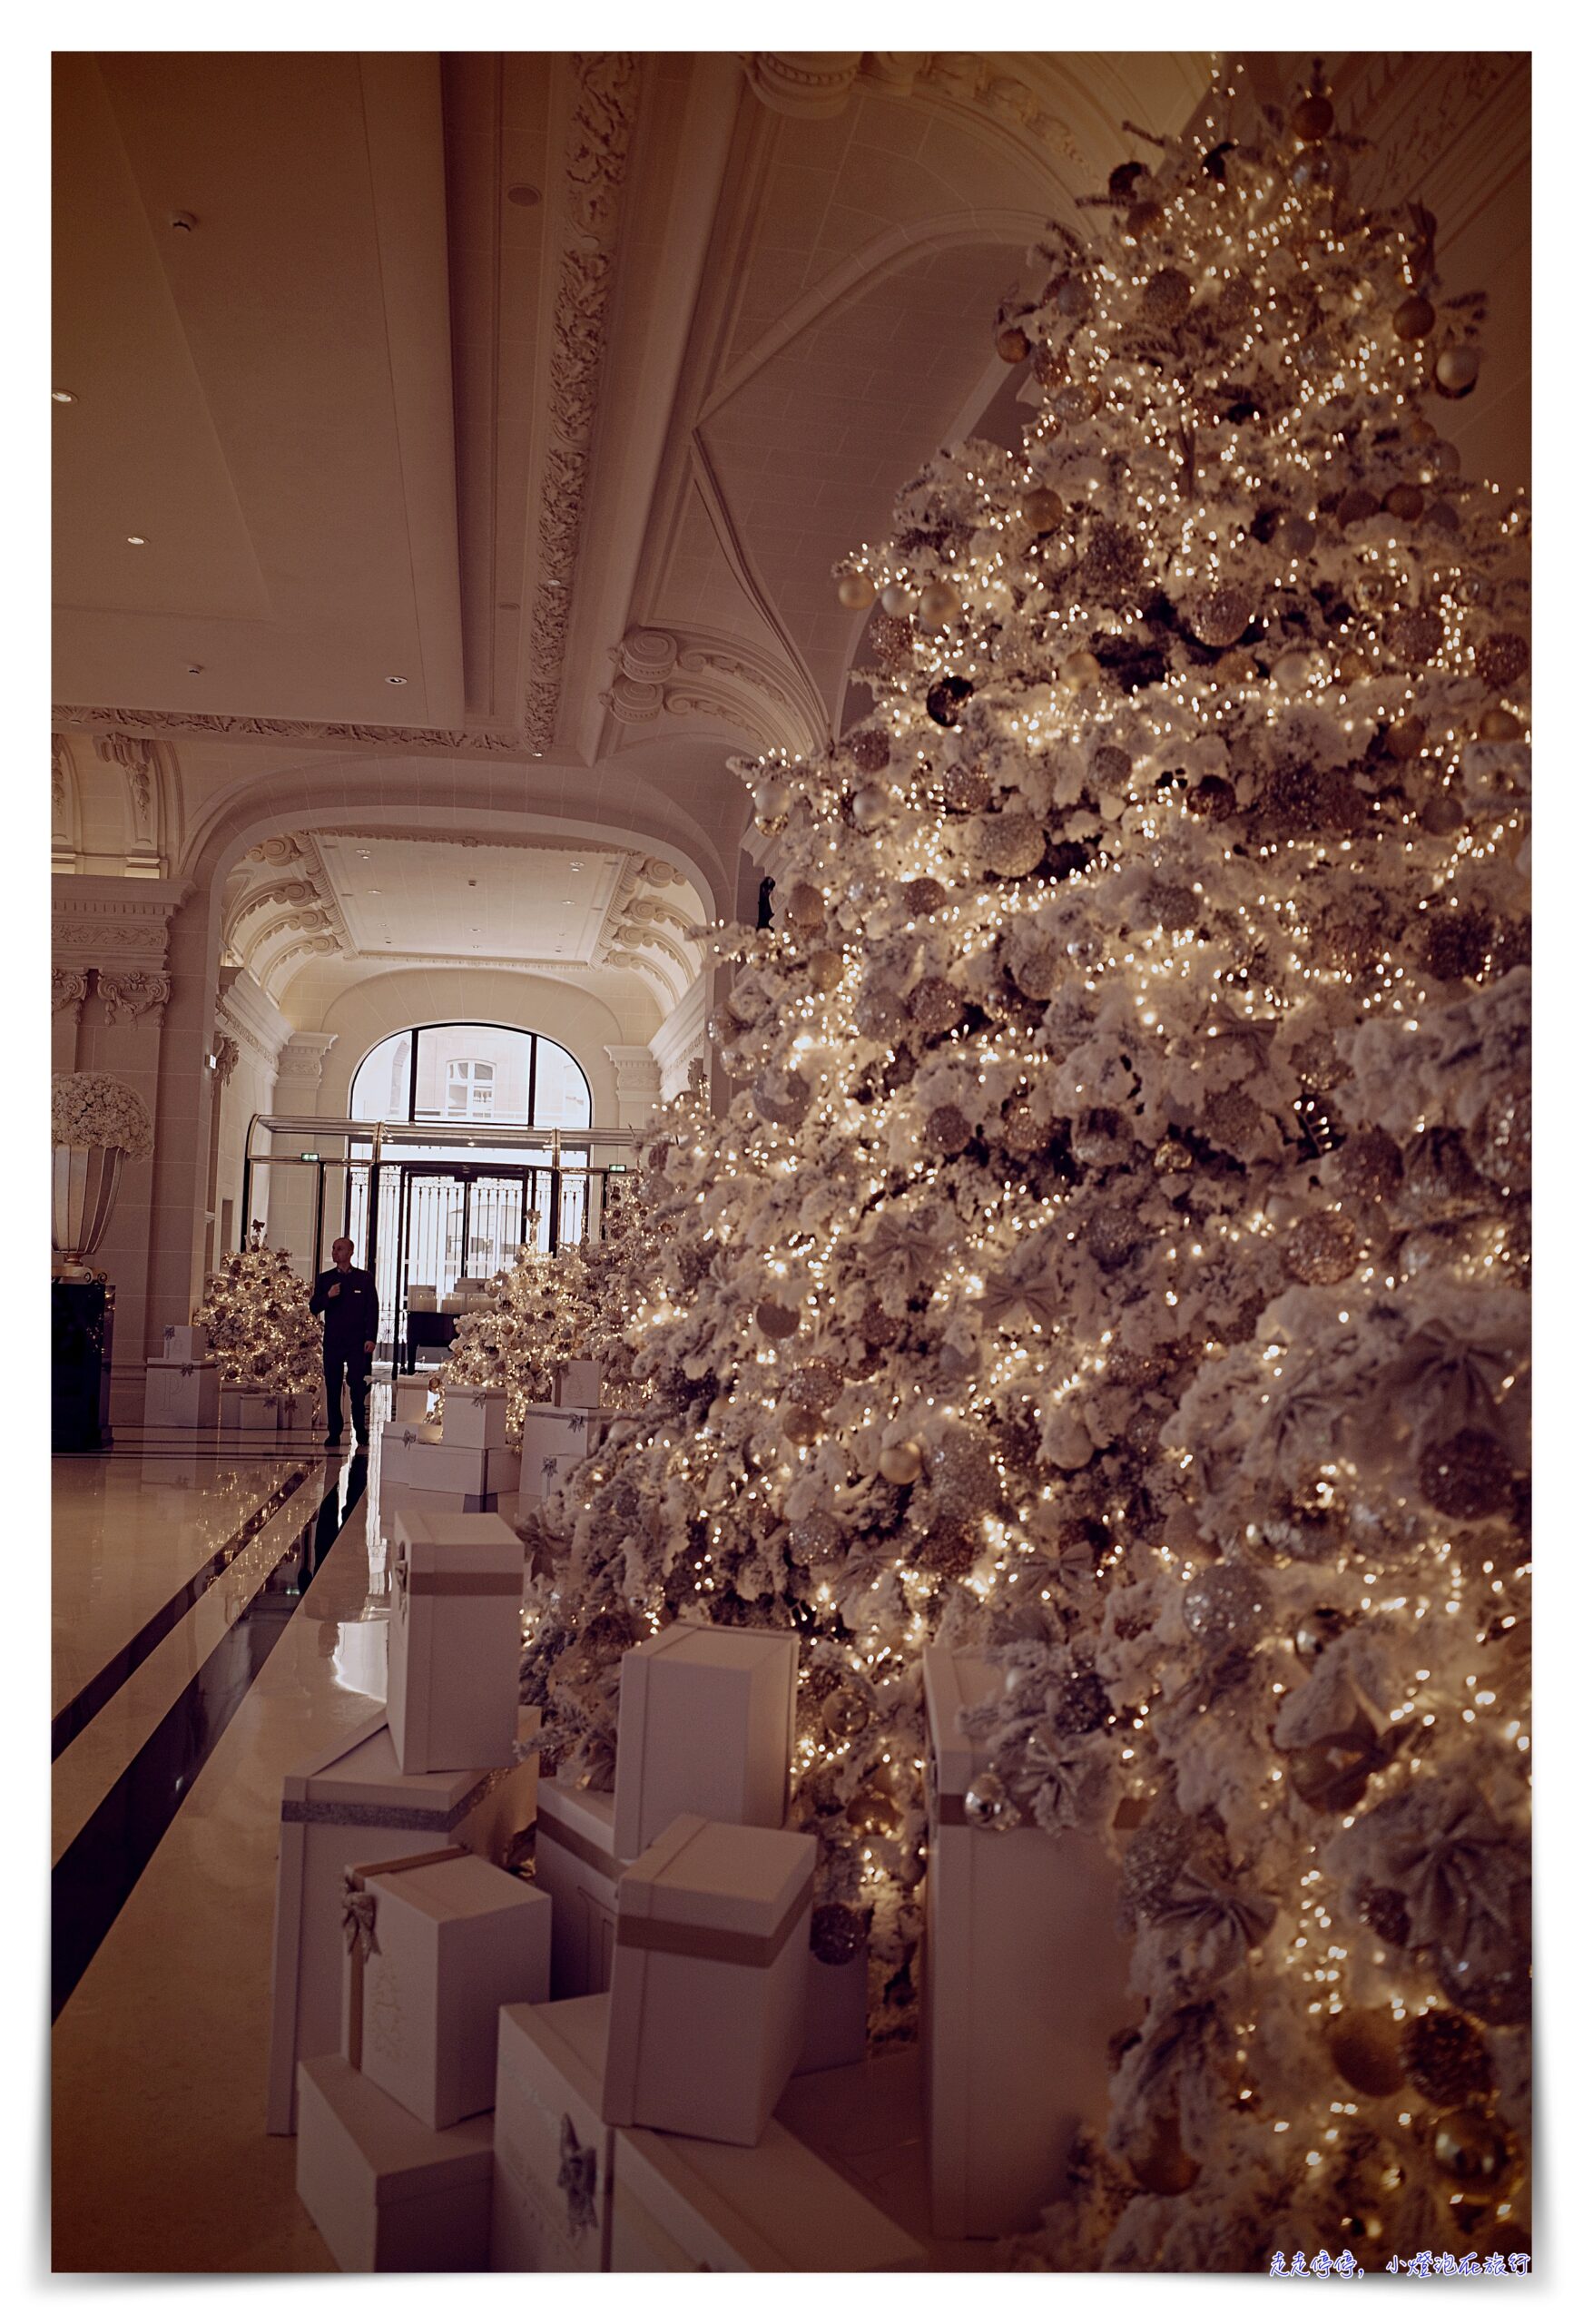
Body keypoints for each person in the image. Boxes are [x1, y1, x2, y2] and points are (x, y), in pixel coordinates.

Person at [309, 1237, 379, 1448]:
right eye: (333, 1248)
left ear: (350, 1252)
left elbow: (372, 1309)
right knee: (332, 1386)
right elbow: (313, 1307)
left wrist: (371, 1337)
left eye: (339, 1249)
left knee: (357, 1387)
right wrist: (328, 1296)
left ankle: (360, 1428)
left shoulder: (364, 1278)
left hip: (357, 1342)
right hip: (333, 1341)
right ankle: (334, 1432)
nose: (334, 1252)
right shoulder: (325, 1279)